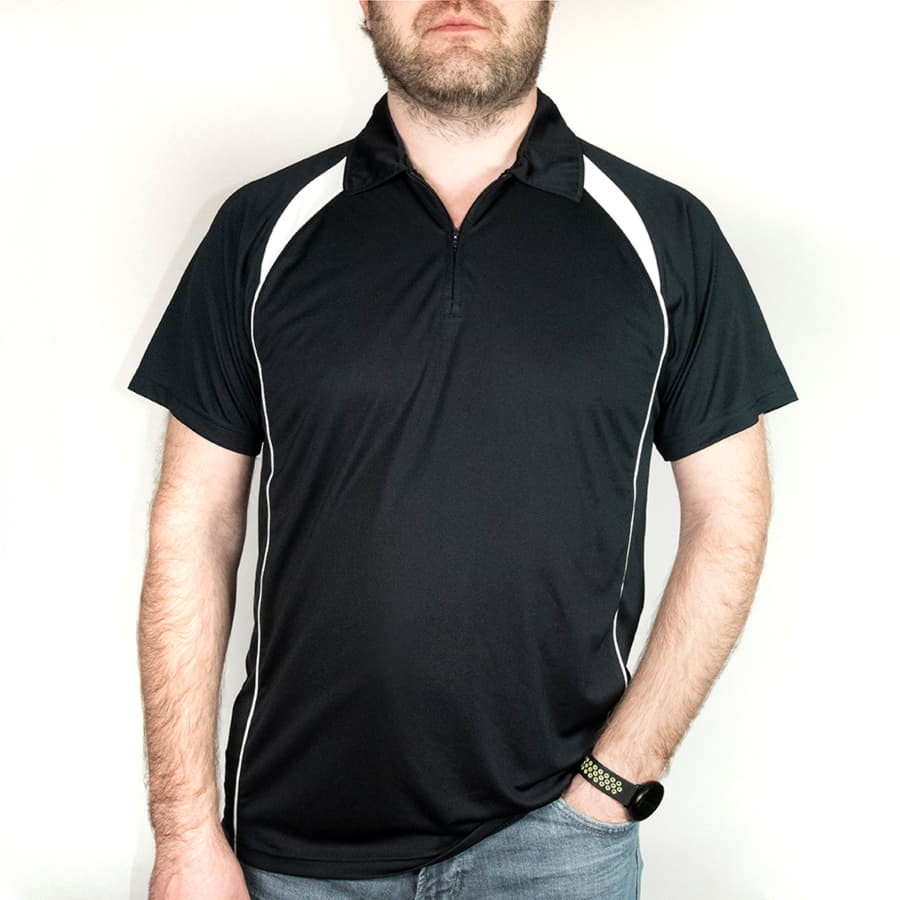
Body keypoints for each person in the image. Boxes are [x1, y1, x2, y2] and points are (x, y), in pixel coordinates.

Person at [129, 2, 797, 898]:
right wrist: (183, 831)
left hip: (560, 844)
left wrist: (614, 783)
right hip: (296, 846)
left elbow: (730, 516)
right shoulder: (262, 226)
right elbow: (194, 524)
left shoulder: (666, 233)